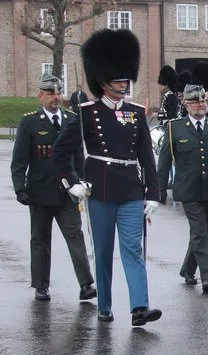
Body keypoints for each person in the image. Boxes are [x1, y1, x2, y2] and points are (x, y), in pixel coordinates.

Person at [52, 28, 162, 326]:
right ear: (103, 82)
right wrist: (70, 183)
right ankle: (104, 304)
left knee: (133, 249)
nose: (124, 84)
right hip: (99, 190)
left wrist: (153, 193)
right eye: (118, 80)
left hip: (129, 189)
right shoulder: (86, 113)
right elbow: (60, 152)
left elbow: (145, 155)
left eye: (126, 79)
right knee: (102, 252)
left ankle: (140, 306)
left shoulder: (136, 112)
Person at [11, 73, 96, 302]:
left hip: (68, 193)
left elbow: (79, 156)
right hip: (40, 192)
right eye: (50, 94)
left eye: (58, 93)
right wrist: (20, 188)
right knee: (40, 240)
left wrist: (83, 181)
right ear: (40, 95)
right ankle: (41, 285)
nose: (56, 97)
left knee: (75, 236)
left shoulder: (71, 119)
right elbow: (20, 160)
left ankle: (86, 284)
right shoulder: (30, 122)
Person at [157, 84, 208, 291]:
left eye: (203, 101)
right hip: (188, 188)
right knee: (199, 230)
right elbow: (164, 160)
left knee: (201, 231)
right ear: (186, 105)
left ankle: (188, 269)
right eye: (195, 102)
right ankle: (207, 276)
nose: (200, 105)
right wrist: (159, 189)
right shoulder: (174, 127)